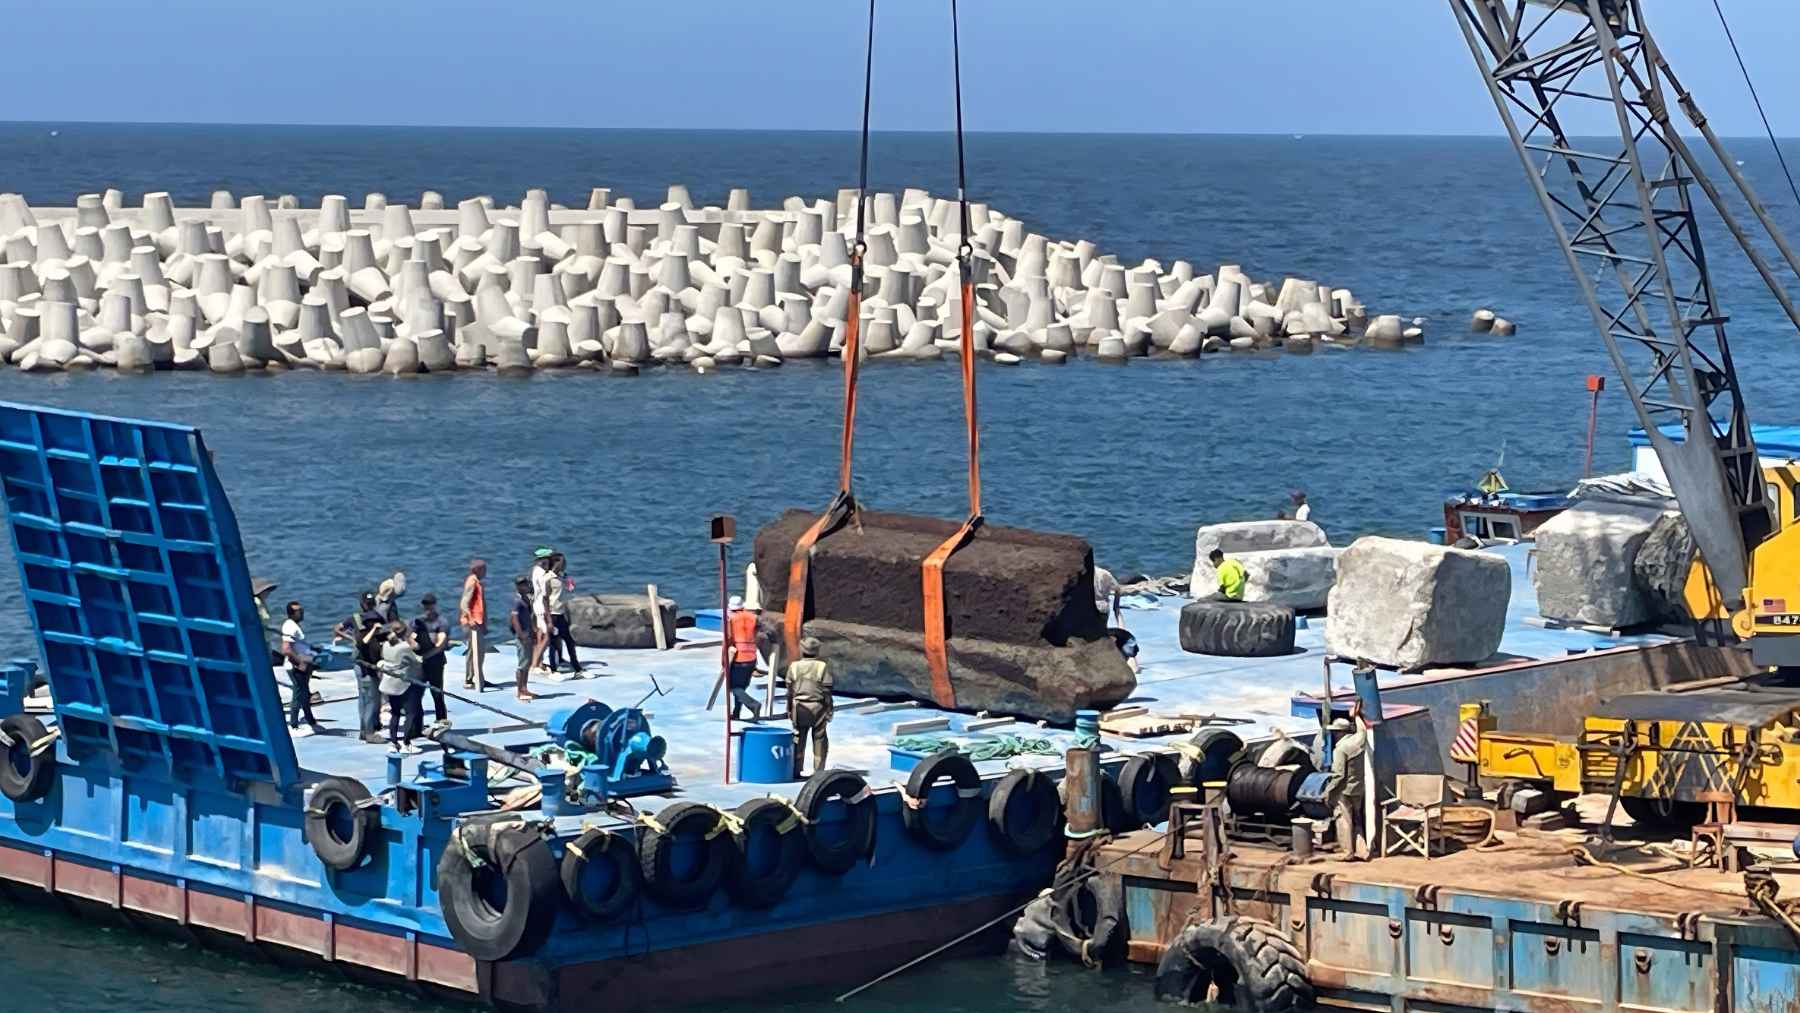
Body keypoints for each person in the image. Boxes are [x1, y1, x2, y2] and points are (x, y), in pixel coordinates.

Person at [334, 592, 389, 744]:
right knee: (371, 699)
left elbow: (337, 628)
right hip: (367, 665)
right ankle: (370, 733)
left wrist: (349, 638)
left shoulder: (355, 618)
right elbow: (365, 642)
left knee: (364, 698)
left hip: (362, 665)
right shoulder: (376, 619)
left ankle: (364, 730)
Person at [1325, 701, 1370, 860]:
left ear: (1338, 733)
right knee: (1358, 820)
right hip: (1359, 788)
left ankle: (1347, 852)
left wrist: (1328, 792)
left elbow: (1338, 775)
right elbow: (1363, 730)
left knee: (1344, 820)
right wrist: (1357, 716)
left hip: (1344, 791)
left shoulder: (1340, 749)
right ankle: (1362, 851)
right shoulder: (1358, 740)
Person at [786, 636, 833, 777]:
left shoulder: (794, 667)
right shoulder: (822, 667)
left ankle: (796, 770)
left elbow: (789, 691)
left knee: (798, 738)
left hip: (799, 706)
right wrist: (829, 708)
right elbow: (827, 691)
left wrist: (789, 708)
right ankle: (818, 772)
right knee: (819, 739)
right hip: (818, 707)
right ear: (817, 651)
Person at [377, 622, 424, 754]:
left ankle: (393, 742)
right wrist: (410, 640)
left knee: (395, 714)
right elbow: (417, 660)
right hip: (403, 684)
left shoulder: (386, 644)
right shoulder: (404, 647)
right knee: (410, 713)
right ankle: (406, 743)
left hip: (389, 684)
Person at [280, 601, 323, 734]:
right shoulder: (290, 626)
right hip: (296, 666)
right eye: (299, 611)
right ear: (292, 613)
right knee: (298, 695)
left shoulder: (295, 626)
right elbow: (286, 649)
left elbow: (298, 645)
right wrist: (299, 663)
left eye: (302, 610)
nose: (302, 612)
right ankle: (293, 724)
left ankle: (310, 720)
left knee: (304, 694)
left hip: (303, 663)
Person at [411, 593, 451, 732]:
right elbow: (411, 638)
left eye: (430, 604)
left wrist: (426, 656)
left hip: (435, 663)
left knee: (437, 693)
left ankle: (442, 723)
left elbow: (440, 644)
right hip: (419, 664)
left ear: (434, 604)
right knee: (416, 694)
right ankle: (417, 725)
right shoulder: (417, 621)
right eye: (425, 604)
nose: (427, 607)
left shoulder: (441, 622)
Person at [725, 595, 762, 721]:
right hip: (751, 657)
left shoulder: (731, 619)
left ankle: (753, 705)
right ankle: (736, 713)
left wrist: (724, 659)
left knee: (733, 687)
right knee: (741, 687)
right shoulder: (753, 617)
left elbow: (728, 639)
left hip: (738, 657)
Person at [544, 553, 581, 675]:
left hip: (561, 613)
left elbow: (570, 588)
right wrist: (548, 620)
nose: (565, 565)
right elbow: (545, 599)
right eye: (563, 562)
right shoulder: (548, 578)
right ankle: (553, 669)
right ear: (557, 563)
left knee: (569, 641)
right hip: (553, 614)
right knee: (554, 643)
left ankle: (576, 666)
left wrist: (568, 581)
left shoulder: (561, 577)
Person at [459, 559, 488, 691]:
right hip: (472, 623)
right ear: (477, 570)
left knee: (480, 651)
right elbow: (464, 603)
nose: (485, 572)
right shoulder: (472, 582)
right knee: (473, 651)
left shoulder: (477, 581)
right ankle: (469, 678)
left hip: (479, 621)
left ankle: (478, 675)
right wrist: (470, 619)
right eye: (483, 569)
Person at [528, 548, 556, 678]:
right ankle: (535, 665)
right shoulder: (542, 574)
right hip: (542, 607)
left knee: (540, 635)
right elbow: (545, 595)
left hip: (537, 606)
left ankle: (538, 662)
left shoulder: (535, 570)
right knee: (547, 637)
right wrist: (548, 614)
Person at [509, 575, 538, 701]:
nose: (526, 586)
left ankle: (524, 688)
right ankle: (519, 690)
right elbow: (514, 619)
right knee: (522, 664)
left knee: (527, 663)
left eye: (526, 584)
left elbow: (530, 616)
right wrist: (521, 635)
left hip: (529, 634)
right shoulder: (518, 601)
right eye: (524, 584)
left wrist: (534, 631)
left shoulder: (526, 599)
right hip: (523, 636)